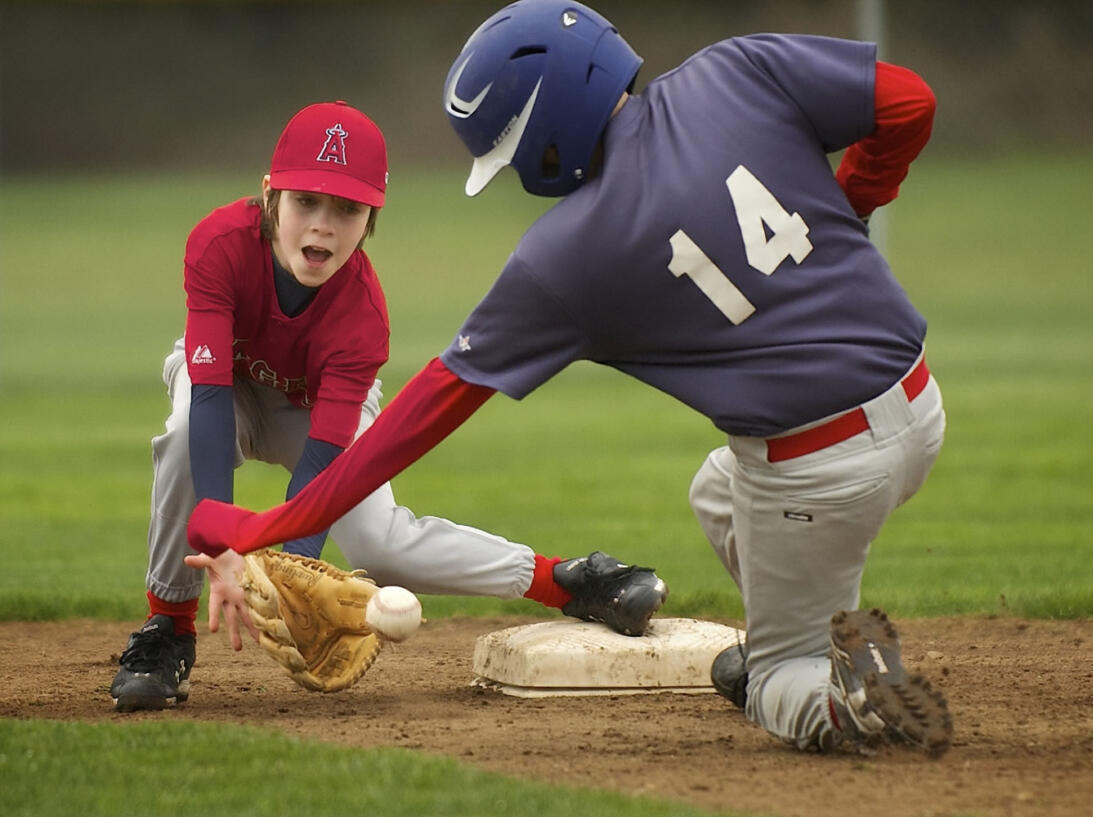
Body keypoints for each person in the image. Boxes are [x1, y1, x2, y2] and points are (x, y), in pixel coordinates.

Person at [186, 0, 949, 754]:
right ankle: (803, 632)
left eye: (514, 151)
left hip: (816, 469)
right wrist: (853, 203)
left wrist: (264, 527)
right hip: (917, 401)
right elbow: (910, 102)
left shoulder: (567, 256)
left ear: (543, 128)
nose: (524, 170)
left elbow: (419, 418)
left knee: (773, 687)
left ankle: (829, 682)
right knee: (718, 491)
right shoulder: (734, 69)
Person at [109, 98, 668, 713]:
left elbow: (325, 459)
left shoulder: (364, 319)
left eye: (347, 209)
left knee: (380, 544)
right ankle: (169, 629)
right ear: (269, 194)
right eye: (305, 202)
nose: (322, 225)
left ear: (371, 218)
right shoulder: (218, 244)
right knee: (189, 427)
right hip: (227, 390)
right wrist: (222, 548)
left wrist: (292, 574)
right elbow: (212, 398)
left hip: (314, 411)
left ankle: (567, 582)